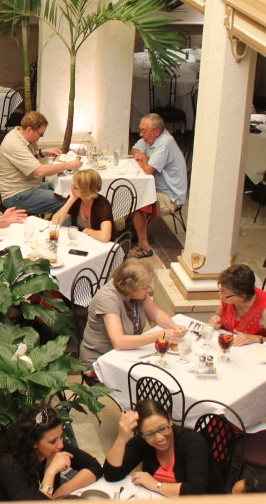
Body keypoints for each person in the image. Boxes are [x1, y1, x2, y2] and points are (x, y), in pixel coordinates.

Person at [105, 399, 224, 496]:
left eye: (163, 428)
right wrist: (121, 438)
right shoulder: (142, 442)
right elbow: (111, 474)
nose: (159, 438)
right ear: (141, 434)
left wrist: (156, 485)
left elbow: (196, 491)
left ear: (170, 420)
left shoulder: (192, 441)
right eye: (150, 434)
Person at [0, 405, 103, 501]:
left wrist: (61, 491)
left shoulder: (54, 447)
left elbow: (94, 467)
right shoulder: (10, 465)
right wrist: (51, 472)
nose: (60, 444)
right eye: (52, 441)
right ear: (33, 443)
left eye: (61, 436)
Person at [79, 259, 185, 367]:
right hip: (100, 361)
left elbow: (156, 313)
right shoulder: (108, 300)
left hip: (127, 354)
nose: (149, 290)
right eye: (145, 287)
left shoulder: (136, 293)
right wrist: (161, 335)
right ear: (129, 287)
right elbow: (119, 342)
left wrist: (174, 327)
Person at [0, 111, 80, 215]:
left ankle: (56, 224)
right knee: (67, 201)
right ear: (29, 129)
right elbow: (39, 171)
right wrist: (68, 165)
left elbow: (24, 158)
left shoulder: (18, 133)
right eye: (41, 134)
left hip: (28, 186)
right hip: (16, 196)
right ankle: (60, 230)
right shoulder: (15, 144)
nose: (41, 136)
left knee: (62, 189)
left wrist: (42, 152)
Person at [130, 114, 188, 258]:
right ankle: (132, 232)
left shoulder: (165, 142)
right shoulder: (149, 139)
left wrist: (144, 158)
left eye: (144, 131)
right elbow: (134, 149)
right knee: (128, 193)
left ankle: (145, 246)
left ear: (156, 131)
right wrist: (144, 158)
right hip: (155, 188)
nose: (141, 134)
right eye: (140, 130)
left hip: (170, 196)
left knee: (138, 201)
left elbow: (148, 170)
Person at [208, 263, 266, 346]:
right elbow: (219, 315)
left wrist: (255, 338)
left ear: (242, 297)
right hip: (230, 347)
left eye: (224, 293)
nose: (220, 294)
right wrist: (216, 320)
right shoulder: (227, 297)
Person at [50, 169, 114, 243]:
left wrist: (89, 231)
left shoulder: (102, 204)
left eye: (76, 187)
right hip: (83, 241)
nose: (72, 188)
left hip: (102, 245)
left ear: (86, 190)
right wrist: (70, 200)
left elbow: (104, 237)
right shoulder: (76, 199)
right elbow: (55, 222)